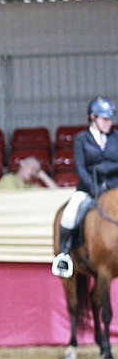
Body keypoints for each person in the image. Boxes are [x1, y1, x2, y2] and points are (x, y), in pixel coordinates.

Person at [53, 96, 118, 277]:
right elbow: (80, 167)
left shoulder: (116, 137)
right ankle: (64, 255)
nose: (109, 123)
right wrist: (92, 186)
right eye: (105, 119)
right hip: (89, 187)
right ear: (93, 117)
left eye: (110, 119)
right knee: (70, 213)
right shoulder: (82, 139)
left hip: (114, 187)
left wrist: (109, 168)